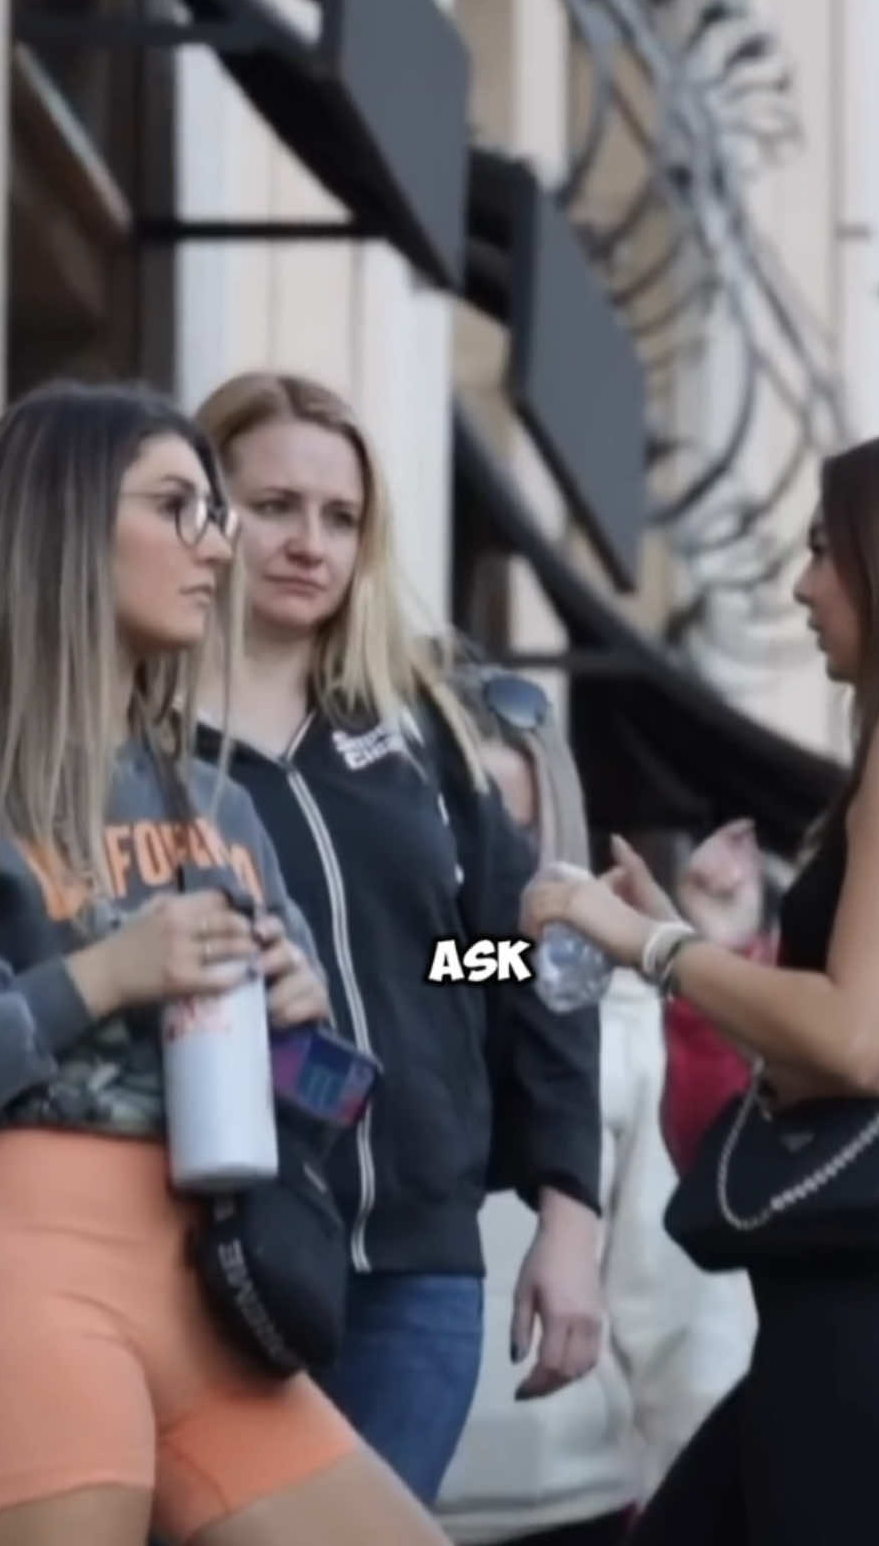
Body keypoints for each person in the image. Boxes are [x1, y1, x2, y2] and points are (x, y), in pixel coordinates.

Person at [0, 380, 456, 1546]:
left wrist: (315, 1027)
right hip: (29, 1288)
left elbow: (461, 957)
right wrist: (103, 974)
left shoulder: (404, 759)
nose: (234, 543)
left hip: (266, 1270)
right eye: (193, 508)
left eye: (338, 517)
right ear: (70, 528)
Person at [519, 425, 879, 1546]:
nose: (801, 585)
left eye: (826, 551)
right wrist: (678, 941)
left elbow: (854, 1040)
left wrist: (643, 946)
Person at [192, 372, 603, 1506]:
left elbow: (512, 962)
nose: (307, 543)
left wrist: (568, 1217)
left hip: (412, 1271)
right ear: (205, 508)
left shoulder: (421, 734)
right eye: (274, 505)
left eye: (340, 518)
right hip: (208, 1262)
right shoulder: (139, 743)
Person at [435, 669, 756, 1546]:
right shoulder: (395, 979)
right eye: (456, 821)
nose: (483, 858)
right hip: (367, 1477)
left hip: (568, 1496)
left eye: (509, 824)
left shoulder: (612, 1010)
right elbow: (452, 962)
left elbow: (679, 1305)